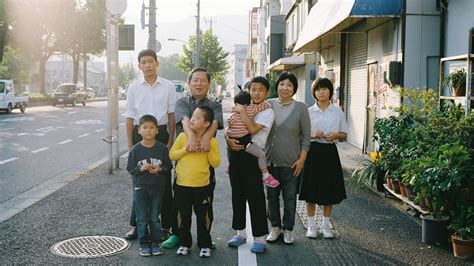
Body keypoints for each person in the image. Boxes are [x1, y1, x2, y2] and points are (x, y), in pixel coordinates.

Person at [161, 67, 223, 249]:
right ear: (189, 83)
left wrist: (205, 137)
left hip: (204, 160)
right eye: (195, 80)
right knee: (180, 202)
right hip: (184, 159)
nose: (198, 83)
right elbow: (185, 120)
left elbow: (216, 123)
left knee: (205, 203)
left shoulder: (215, 104)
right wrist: (192, 137)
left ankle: (205, 237)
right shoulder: (182, 102)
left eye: (203, 80)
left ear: (209, 84)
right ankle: (177, 234)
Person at [124, 49, 176, 240]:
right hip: (140, 136)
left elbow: (171, 116)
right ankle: (137, 226)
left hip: (161, 135)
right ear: (139, 66)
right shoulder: (133, 88)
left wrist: (170, 141)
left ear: (157, 63)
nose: (147, 65)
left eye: (150, 61)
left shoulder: (168, 86)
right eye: (143, 62)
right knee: (139, 182)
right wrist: (131, 145)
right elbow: (129, 118)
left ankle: (166, 226)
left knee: (162, 181)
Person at [226, 76, 274, 253]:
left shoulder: (266, 111)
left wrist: (242, 111)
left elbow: (253, 129)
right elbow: (230, 128)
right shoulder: (243, 106)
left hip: (253, 157)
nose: (256, 93)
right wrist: (227, 140)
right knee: (237, 196)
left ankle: (260, 238)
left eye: (261, 90)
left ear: (267, 92)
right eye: (253, 89)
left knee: (255, 197)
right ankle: (240, 233)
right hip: (237, 155)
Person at [265, 71, 311, 245]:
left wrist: (302, 160)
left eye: (289, 85)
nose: (285, 88)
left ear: (294, 89)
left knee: (290, 199)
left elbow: (306, 137)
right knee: (271, 197)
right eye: (282, 84)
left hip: (292, 164)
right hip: (270, 162)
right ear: (277, 86)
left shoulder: (301, 108)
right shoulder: (268, 105)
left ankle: (288, 230)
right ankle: (275, 227)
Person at [169, 106, 221, 258]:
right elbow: (172, 154)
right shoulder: (183, 137)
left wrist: (207, 150)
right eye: (192, 116)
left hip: (203, 186)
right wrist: (186, 149)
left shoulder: (211, 141)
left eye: (197, 117)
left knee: (204, 217)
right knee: (183, 217)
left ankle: (204, 244)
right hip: (182, 185)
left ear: (206, 123)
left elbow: (216, 162)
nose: (192, 119)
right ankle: (185, 243)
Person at [299, 78, 347, 239]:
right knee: (310, 189)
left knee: (329, 190)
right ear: (314, 92)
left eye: (324, 88)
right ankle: (311, 226)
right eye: (318, 89)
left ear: (330, 91)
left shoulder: (337, 111)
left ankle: (326, 226)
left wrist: (336, 135)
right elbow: (302, 135)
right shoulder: (308, 111)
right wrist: (313, 135)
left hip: (329, 152)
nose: (321, 91)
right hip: (312, 151)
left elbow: (344, 135)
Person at [127, 115, 173, 257]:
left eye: (152, 127)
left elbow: (169, 166)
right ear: (139, 131)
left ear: (157, 130)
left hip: (157, 188)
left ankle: (155, 243)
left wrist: (160, 169)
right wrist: (140, 169)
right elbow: (130, 169)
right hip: (140, 188)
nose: (148, 130)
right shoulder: (135, 150)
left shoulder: (162, 149)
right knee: (141, 218)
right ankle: (143, 244)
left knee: (154, 217)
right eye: (145, 128)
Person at [226, 89, 279, 187]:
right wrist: (268, 104)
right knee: (261, 155)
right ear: (248, 103)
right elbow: (262, 107)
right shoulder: (250, 109)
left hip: (233, 138)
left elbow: (229, 127)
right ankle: (266, 175)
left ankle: (230, 166)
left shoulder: (233, 114)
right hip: (245, 141)